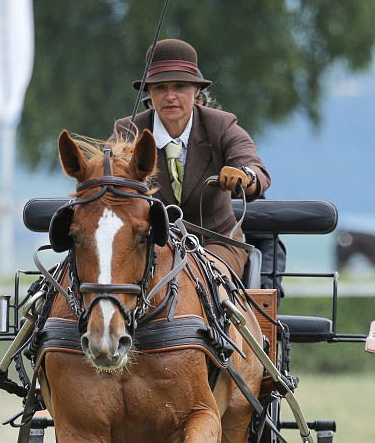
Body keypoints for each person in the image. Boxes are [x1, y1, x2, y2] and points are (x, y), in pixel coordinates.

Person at [111, 39, 271, 279]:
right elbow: (106, 178)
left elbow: (255, 169)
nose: (170, 96)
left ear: (197, 91)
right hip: (147, 247)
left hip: (217, 245)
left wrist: (244, 176)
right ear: (149, 93)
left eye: (180, 86)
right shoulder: (128, 131)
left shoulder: (222, 125)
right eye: (160, 88)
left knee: (204, 283)